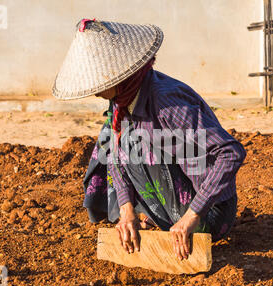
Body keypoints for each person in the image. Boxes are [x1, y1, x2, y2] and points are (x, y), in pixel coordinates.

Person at [53, 19, 246, 260]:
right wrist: (126, 211)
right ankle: (140, 214)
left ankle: (165, 217)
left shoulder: (166, 104)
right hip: (173, 188)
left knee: (130, 140)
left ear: (120, 78)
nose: (94, 91)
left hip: (209, 213)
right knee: (111, 136)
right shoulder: (122, 100)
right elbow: (115, 155)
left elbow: (231, 153)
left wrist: (191, 216)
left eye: (100, 82)